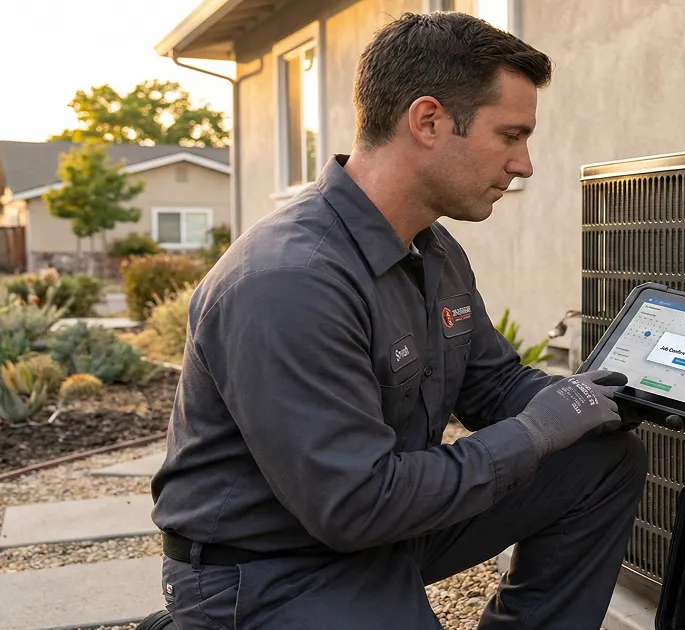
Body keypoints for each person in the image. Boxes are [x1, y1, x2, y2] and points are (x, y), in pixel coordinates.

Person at [147, 11, 648, 629]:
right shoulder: (289, 281)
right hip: (271, 567)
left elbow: (491, 386)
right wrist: (537, 432)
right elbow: (356, 504)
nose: (525, 164)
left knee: (600, 459)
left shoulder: (431, 249)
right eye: (510, 135)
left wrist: (585, 400)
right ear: (429, 121)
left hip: (381, 529)